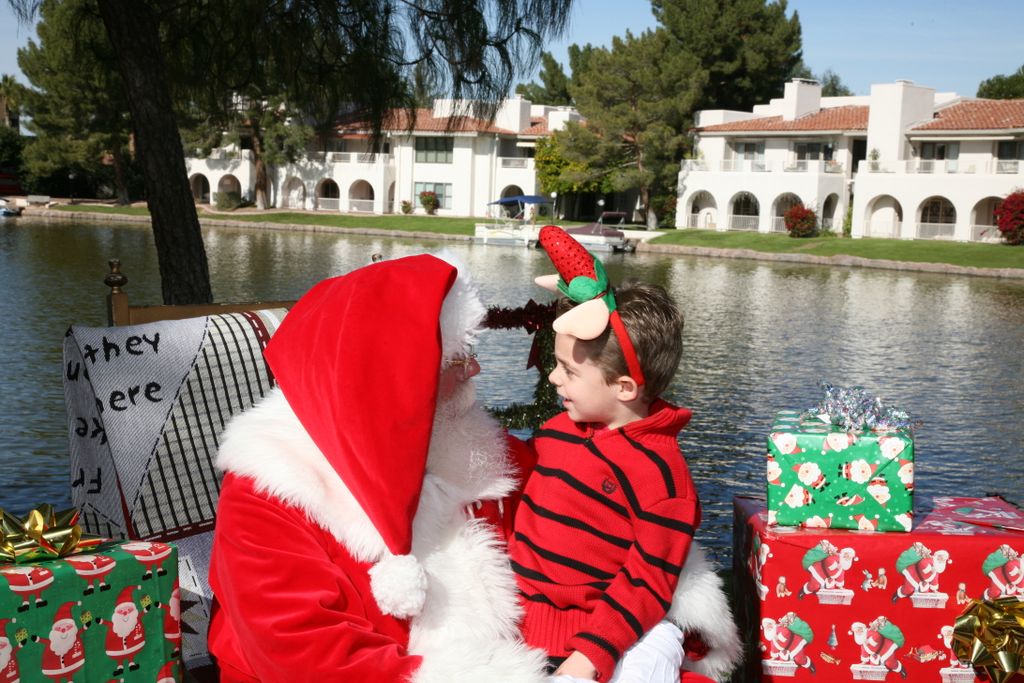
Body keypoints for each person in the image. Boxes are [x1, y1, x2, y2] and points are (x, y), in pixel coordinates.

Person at [207, 251, 738, 681]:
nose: (476, 369)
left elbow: (595, 517)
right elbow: (306, 656)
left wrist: (663, 606)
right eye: (456, 360)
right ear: (392, 381)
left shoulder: (471, 444)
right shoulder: (273, 489)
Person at [511, 226, 739, 683]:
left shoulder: (663, 477)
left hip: (609, 636)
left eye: (569, 371)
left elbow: (648, 581)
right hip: (520, 623)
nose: (554, 380)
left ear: (624, 388)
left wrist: (589, 655)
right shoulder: (558, 432)